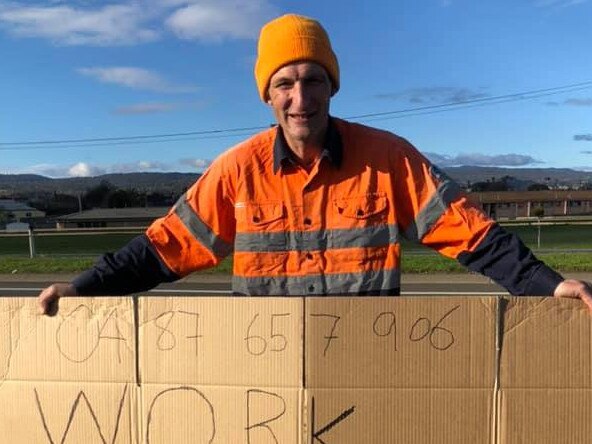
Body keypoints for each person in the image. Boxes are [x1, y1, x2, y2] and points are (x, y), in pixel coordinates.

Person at [39, 13, 592, 315]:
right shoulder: (237, 172)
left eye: (313, 80)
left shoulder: (389, 159)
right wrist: (80, 289)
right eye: (285, 83)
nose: (300, 97)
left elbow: (474, 236)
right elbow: (161, 250)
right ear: (267, 94)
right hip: (267, 371)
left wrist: (549, 285)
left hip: (367, 361)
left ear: (332, 87)